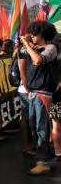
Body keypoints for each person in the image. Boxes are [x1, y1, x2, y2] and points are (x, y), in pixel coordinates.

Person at [20, 21, 59, 175]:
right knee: (35, 126)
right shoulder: (33, 49)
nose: (31, 36)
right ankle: (46, 158)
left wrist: (27, 45)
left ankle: (44, 161)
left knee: (43, 127)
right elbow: (22, 58)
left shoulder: (51, 48)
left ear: (41, 34)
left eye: (34, 33)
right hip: (34, 93)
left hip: (44, 93)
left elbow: (38, 60)